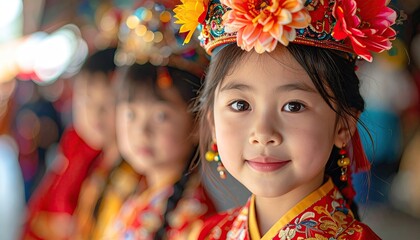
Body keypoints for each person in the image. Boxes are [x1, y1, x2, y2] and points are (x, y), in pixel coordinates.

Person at [174, 0, 399, 239]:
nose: (263, 133)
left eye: (293, 106)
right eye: (240, 105)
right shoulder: (207, 233)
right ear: (212, 123)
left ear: (343, 125)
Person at [102, 1, 216, 239]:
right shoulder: (133, 191)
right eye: (131, 114)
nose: (141, 131)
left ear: (197, 124)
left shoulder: (197, 222)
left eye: (161, 116)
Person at [21, 47, 118, 240]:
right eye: (87, 102)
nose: (95, 115)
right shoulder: (75, 144)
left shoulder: (121, 163)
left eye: (107, 105)